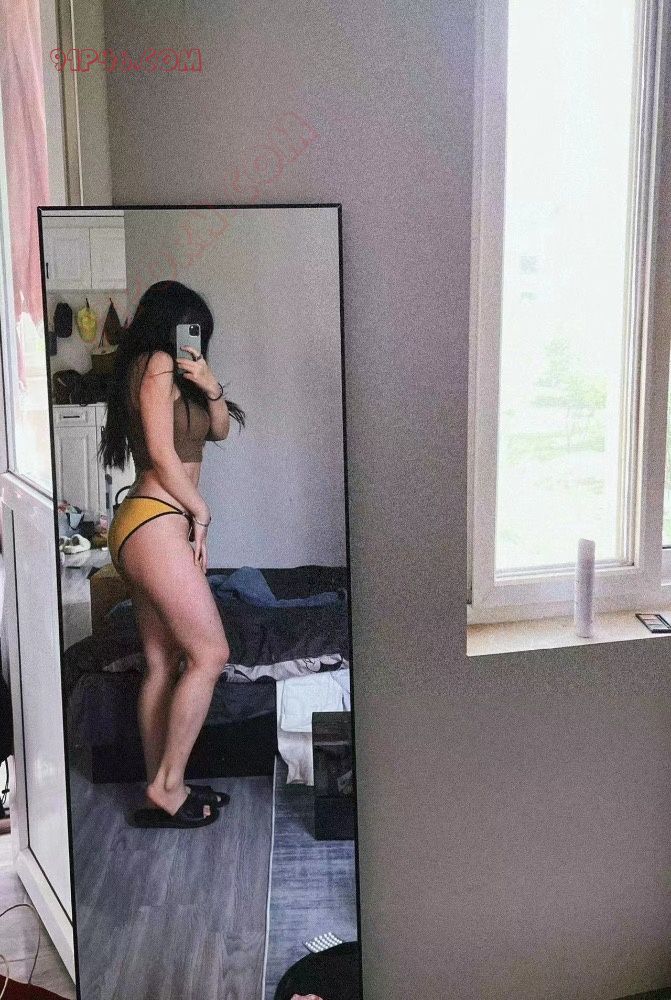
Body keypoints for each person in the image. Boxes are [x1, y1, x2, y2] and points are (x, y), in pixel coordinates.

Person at [101, 280, 245, 829]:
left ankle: (159, 784)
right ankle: (168, 785)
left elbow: (221, 430)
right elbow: (162, 456)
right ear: (169, 322)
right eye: (191, 327)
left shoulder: (176, 375)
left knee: (162, 662)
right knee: (210, 653)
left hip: (148, 526)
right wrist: (200, 512)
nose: (197, 339)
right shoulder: (155, 364)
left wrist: (210, 385)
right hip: (155, 521)